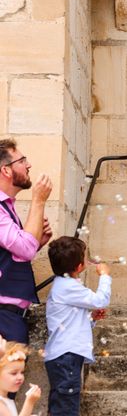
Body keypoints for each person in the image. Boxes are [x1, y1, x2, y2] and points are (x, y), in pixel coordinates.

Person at [44, 236, 111, 416]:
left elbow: (71, 323)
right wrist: (105, 276)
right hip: (66, 357)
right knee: (66, 409)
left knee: (60, 405)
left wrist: (92, 318)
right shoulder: (68, 287)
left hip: (61, 356)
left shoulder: (63, 286)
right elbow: (100, 300)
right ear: (80, 266)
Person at [0, 138, 52, 343]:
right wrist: (38, 201)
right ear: (6, 170)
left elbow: (18, 253)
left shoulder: (7, 207)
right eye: (22, 160)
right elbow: (24, 249)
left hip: (10, 316)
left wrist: (38, 242)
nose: (29, 165)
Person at [0, 338, 41, 416]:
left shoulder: (6, 400)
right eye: (14, 373)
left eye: (22, 372)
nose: (20, 377)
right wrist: (30, 402)